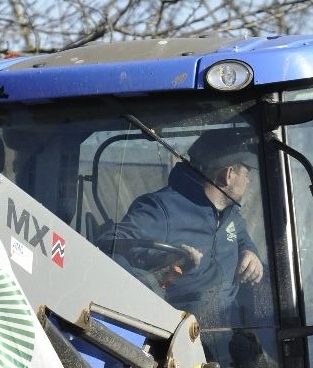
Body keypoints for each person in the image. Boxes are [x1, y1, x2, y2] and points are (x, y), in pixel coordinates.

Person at [103, 129, 264, 325]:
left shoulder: (230, 214)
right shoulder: (161, 209)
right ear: (228, 174)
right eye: (246, 173)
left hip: (232, 327)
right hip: (183, 332)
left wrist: (250, 251)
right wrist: (163, 267)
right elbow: (108, 247)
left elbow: (240, 236)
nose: (248, 180)